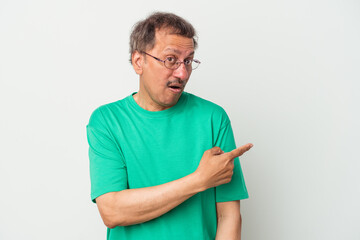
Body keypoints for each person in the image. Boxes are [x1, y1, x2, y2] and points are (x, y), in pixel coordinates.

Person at [86, 12, 253, 240]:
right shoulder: (107, 121)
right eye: (171, 59)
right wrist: (198, 180)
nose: (182, 73)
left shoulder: (213, 118)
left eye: (188, 61)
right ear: (138, 61)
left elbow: (228, 216)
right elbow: (112, 211)